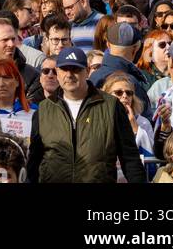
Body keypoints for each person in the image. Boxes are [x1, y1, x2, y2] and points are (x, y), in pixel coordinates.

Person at [26, 46, 145, 183]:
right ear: (57, 72)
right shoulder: (43, 110)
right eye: (64, 69)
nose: (69, 74)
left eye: (75, 69)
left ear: (87, 72)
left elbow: (130, 158)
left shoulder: (111, 106)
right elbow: (34, 163)